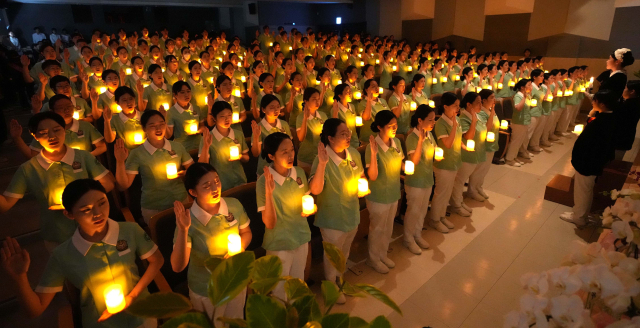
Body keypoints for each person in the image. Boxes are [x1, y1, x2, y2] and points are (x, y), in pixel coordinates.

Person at [1, 179, 163, 328]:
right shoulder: (63, 254)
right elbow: (35, 310)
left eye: (102, 203)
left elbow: (157, 260)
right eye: (86, 209)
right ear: (69, 214)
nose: (98, 213)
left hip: (142, 315)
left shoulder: (130, 230)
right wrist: (19, 278)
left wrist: (133, 296)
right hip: (100, 323)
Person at [1, 112, 115, 250]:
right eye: (43, 133)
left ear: (64, 130)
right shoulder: (29, 168)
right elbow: (6, 204)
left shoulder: (83, 157)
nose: (52, 136)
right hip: (56, 234)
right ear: (34, 136)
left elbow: (107, 184)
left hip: (93, 228)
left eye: (56, 130)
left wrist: (81, 200)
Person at [171, 163, 251, 326]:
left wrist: (240, 248)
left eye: (216, 181)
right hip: (206, 289)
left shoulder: (233, 205)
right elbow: (178, 266)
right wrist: (183, 230)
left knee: (236, 321)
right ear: (193, 192)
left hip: (234, 278)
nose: (215, 188)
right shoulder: (188, 221)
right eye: (206, 185)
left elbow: (246, 233)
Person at [309, 118, 363, 304]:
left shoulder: (353, 154)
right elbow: (315, 190)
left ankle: (340, 279)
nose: (348, 136)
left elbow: (361, 176)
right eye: (343, 134)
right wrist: (323, 165)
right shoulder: (321, 159)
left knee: (345, 251)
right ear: (330, 138)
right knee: (333, 255)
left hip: (351, 212)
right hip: (331, 217)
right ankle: (331, 284)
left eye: (348, 132)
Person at [256, 133, 312, 301]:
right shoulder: (263, 182)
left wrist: (311, 208)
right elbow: (269, 223)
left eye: (292, 150)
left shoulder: (299, 172)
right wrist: (269, 193)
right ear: (272, 156)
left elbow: (309, 202)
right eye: (284, 152)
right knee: (280, 291)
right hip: (279, 242)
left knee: (297, 284)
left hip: (301, 236)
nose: (290, 156)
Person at [115, 110, 194, 224]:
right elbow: (123, 185)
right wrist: (120, 161)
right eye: (153, 126)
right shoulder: (137, 153)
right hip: (154, 206)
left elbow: (193, 170)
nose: (158, 129)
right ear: (144, 128)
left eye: (161, 124)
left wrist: (185, 174)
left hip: (181, 200)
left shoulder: (177, 146)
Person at [560, 90, 618, 226]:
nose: (592, 102)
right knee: (586, 188)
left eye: (595, 100)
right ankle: (581, 213)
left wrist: (582, 136)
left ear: (602, 104)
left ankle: (579, 217)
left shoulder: (601, 123)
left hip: (588, 162)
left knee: (582, 190)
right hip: (594, 161)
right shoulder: (609, 118)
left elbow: (592, 143)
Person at [365, 110, 403, 274]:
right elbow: (372, 176)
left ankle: (383, 253)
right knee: (377, 228)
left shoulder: (396, 143)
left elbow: (401, 164)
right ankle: (373, 259)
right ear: (380, 127)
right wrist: (374, 155)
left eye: (395, 125)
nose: (394, 128)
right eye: (390, 126)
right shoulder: (372, 147)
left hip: (393, 191)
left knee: (388, 227)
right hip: (378, 195)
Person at [20, 95, 106, 157]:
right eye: (61, 108)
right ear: (52, 110)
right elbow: (33, 154)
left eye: (69, 106)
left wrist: (85, 156)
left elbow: (102, 146)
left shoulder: (85, 126)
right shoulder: (47, 131)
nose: (67, 110)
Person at [403, 105, 436, 254]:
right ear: (420, 120)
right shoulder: (412, 137)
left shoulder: (429, 134)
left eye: (434, 119)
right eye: (430, 120)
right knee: (414, 210)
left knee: (423, 210)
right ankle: (408, 238)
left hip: (427, 177)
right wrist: (420, 142)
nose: (433, 122)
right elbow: (414, 161)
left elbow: (434, 152)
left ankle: (417, 234)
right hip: (415, 181)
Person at [199, 101, 250, 191]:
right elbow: (202, 165)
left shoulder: (238, 134)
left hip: (240, 179)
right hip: (221, 184)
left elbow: (247, 158)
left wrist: (240, 157)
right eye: (222, 116)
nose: (227, 119)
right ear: (214, 118)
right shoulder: (208, 138)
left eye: (229, 115)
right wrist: (206, 147)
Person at [429, 92, 462, 233]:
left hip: (454, 161)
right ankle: (435, 219)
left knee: (447, 192)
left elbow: (458, 140)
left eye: (458, 106)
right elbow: (447, 144)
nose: (457, 108)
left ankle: (442, 216)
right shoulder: (441, 123)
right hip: (443, 164)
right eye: (455, 106)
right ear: (445, 106)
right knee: (440, 193)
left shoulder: (455, 119)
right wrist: (454, 126)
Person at [450, 92, 485, 215]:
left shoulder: (476, 115)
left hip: (474, 153)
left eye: (481, 102)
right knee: (459, 181)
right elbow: (469, 137)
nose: (481, 104)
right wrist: (474, 122)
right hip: (465, 155)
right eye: (478, 102)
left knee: (462, 179)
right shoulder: (464, 118)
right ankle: (456, 205)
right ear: (469, 104)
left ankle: (460, 202)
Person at [251, 94, 292, 176]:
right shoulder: (259, 128)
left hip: (283, 168)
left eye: (278, 107)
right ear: (263, 109)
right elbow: (256, 153)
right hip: (266, 170)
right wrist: (256, 137)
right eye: (272, 107)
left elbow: (290, 146)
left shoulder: (284, 124)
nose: (276, 110)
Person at [166, 81, 207, 153]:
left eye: (188, 91)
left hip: (199, 146)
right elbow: (169, 135)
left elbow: (202, 126)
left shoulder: (196, 108)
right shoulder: (171, 112)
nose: (186, 95)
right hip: (183, 148)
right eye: (182, 92)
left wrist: (200, 130)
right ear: (175, 95)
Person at [297, 87, 328, 168]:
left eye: (318, 99)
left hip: (320, 157)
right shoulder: (300, 117)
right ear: (306, 101)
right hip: (306, 159)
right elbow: (301, 138)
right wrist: (305, 119)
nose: (317, 101)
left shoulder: (323, 115)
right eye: (314, 99)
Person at [505, 79, 532, 167]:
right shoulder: (518, 96)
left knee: (520, 141)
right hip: (518, 122)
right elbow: (518, 108)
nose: (530, 87)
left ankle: (514, 157)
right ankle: (509, 159)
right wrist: (524, 97)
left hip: (524, 121)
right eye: (528, 85)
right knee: (515, 141)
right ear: (522, 87)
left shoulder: (527, 95)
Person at [614, 81, 640, 156]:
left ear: (632, 91)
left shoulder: (630, 105)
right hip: (626, 138)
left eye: (625, 88)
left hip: (620, 138)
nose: (623, 90)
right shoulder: (634, 102)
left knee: (613, 161)